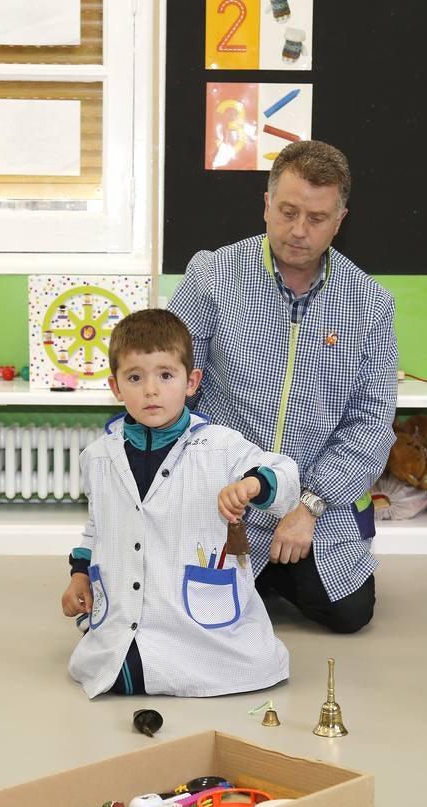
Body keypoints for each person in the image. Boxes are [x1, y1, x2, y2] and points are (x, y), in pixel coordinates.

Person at [168, 140, 398, 634]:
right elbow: (171, 381)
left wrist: (309, 503)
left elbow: (373, 422)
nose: (298, 231)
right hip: (223, 492)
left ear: (340, 220)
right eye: (288, 211)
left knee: (349, 614)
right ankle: (255, 575)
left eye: (316, 218)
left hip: (310, 499)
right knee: (188, 613)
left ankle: (269, 575)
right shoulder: (211, 275)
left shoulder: (371, 304)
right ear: (267, 204)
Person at [60, 309, 299, 698]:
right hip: (126, 612)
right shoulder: (98, 456)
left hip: (200, 618)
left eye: (166, 376)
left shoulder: (221, 446)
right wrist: (79, 575)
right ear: (116, 387)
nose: (151, 390)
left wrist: (254, 484)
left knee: (227, 668)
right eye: (135, 378)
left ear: (192, 382)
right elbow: (95, 527)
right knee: (113, 674)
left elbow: (284, 475)